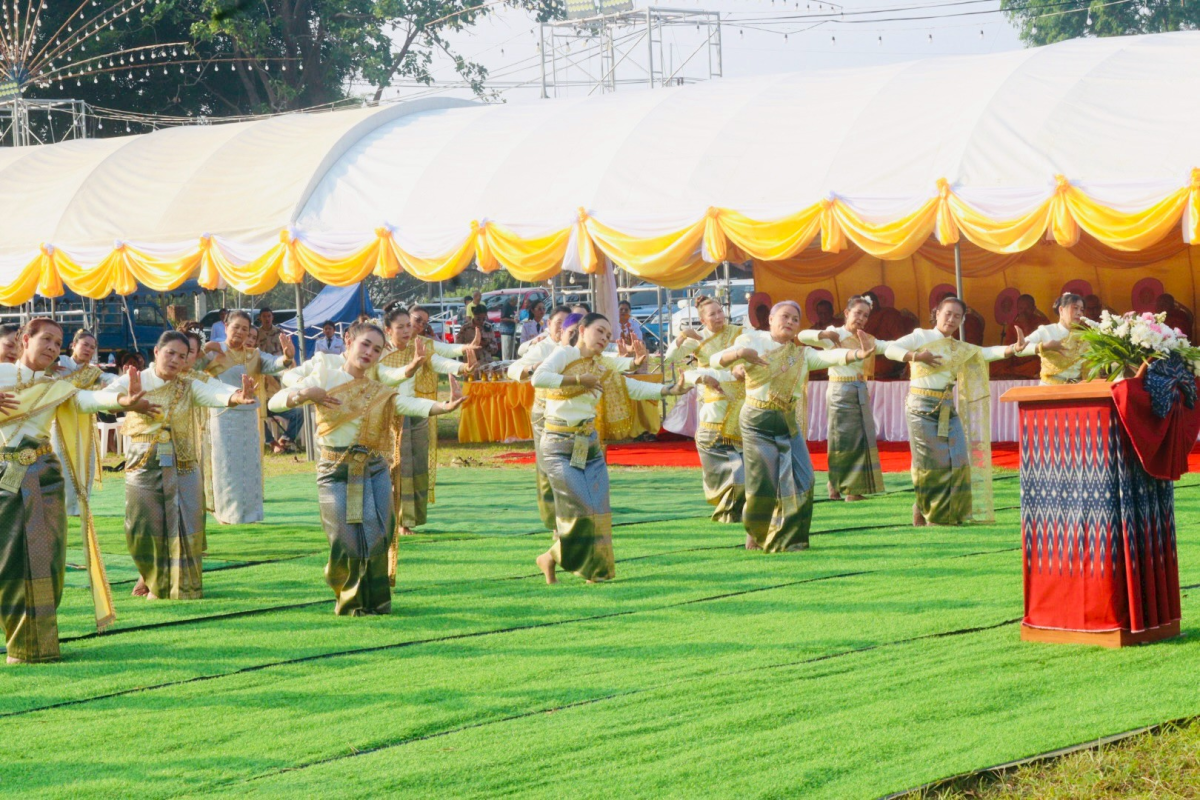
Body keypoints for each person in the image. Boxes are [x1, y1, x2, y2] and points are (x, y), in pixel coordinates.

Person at [270, 322, 464, 615]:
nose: (369, 353)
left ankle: (374, 603)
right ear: (349, 342)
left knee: (378, 536)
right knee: (344, 541)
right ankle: (346, 595)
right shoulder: (324, 373)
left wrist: (443, 407)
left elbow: (404, 404)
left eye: (376, 349)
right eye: (365, 344)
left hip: (374, 468)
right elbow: (275, 402)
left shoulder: (378, 390)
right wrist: (306, 393)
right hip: (335, 470)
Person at [0, 318, 156, 664]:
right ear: (25, 340)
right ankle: (19, 644)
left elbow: (88, 399)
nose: (53, 347)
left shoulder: (56, 385)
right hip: (7, 476)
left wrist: (124, 399)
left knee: (49, 560)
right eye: (46, 339)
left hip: (45, 475)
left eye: (58, 343)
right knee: (11, 562)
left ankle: (41, 643)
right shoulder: (2, 374)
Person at [531, 313, 685, 585]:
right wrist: (579, 381)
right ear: (582, 329)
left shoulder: (603, 366)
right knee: (583, 508)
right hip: (558, 444)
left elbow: (630, 387)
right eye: (599, 331)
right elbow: (539, 378)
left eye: (608, 335)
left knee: (599, 512)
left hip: (588, 443)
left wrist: (670, 390)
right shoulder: (565, 354)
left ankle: (583, 568)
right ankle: (557, 558)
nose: (604, 338)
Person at [713, 302, 870, 552]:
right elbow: (716, 361)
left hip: (787, 421)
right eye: (785, 316)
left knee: (805, 479)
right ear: (771, 319)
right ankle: (756, 534)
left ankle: (792, 539)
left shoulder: (801, 354)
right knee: (764, 483)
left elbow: (828, 357)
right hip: (757, 422)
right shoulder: (752, 341)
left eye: (795, 319)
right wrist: (739, 354)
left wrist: (858, 354)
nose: (790, 322)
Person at [111, 332, 256, 601]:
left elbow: (214, 391)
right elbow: (104, 396)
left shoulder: (189, 384)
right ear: (157, 352)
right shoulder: (137, 380)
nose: (176, 360)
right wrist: (123, 401)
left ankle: (175, 587)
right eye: (171, 353)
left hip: (184, 460)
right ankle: (150, 576)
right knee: (141, 527)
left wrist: (236, 396)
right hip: (143, 462)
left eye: (182, 355)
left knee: (184, 523)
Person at [884, 296, 1025, 527]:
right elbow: (891, 349)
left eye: (957, 316)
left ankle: (949, 512)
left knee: (958, 458)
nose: (951, 319)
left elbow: (983, 353)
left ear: (961, 321)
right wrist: (917, 356)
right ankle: (934, 515)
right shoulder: (921, 336)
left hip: (947, 408)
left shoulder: (958, 347)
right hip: (920, 407)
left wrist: (1013, 349)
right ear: (937, 314)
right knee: (932, 463)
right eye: (947, 314)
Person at [510, 307, 635, 531]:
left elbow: (610, 364)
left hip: (579, 427)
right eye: (559, 324)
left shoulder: (587, 354)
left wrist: (632, 363)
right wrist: (534, 368)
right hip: (545, 417)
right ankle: (555, 522)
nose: (564, 330)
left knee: (578, 477)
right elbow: (515, 370)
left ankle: (573, 524)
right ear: (553, 326)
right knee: (547, 474)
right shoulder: (547, 348)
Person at [378, 304, 470, 543]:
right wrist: (411, 366)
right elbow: (388, 377)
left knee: (417, 465)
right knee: (398, 467)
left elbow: (439, 361)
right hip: (390, 416)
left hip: (417, 409)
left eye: (409, 326)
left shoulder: (419, 347)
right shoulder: (380, 352)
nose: (408, 330)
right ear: (388, 330)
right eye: (401, 327)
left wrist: (463, 367)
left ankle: (410, 519)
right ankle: (395, 520)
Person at [203, 310, 294, 524]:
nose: (240, 332)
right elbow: (192, 367)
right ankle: (226, 513)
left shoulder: (254, 354)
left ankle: (250, 513)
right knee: (226, 464)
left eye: (245, 329)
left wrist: (287, 357)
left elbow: (275, 364)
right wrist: (203, 349)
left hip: (248, 417)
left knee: (249, 464)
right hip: (222, 416)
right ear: (226, 327)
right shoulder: (214, 350)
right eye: (236, 327)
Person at [665, 295, 747, 523]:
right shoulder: (698, 339)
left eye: (720, 312)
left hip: (741, 402)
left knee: (746, 466)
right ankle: (727, 507)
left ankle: (738, 509)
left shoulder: (739, 332)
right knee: (730, 468)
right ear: (702, 319)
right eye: (712, 314)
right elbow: (671, 357)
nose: (719, 317)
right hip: (715, 403)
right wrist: (682, 336)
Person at [824, 296, 890, 502]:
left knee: (860, 439)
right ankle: (840, 485)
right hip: (839, 389)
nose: (861, 318)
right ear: (846, 313)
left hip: (859, 389)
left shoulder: (867, 339)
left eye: (866, 315)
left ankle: (847, 487)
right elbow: (804, 336)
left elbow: (889, 346)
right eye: (857, 313)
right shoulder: (833, 334)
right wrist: (823, 334)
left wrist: (914, 350)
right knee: (841, 438)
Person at [53, 329, 117, 517]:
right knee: (61, 461)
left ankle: (80, 506)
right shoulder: (59, 363)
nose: (89, 349)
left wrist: (122, 382)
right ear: (73, 345)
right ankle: (60, 506)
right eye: (85, 345)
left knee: (85, 461)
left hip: (84, 422)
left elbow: (109, 379)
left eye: (92, 347)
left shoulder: (93, 371)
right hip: (59, 420)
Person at [1017, 292, 1087, 385]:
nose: (1079, 313)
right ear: (1061, 310)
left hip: (1077, 388)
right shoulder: (1046, 331)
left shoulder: (1085, 336)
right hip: (1049, 387)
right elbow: (1020, 349)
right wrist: (1043, 347)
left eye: (1081, 310)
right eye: (1075, 308)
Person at [257, 309, 302, 452]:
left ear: (272, 317)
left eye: (269, 316)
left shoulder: (279, 333)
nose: (267, 319)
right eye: (264, 316)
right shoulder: (256, 334)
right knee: (256, 416)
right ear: (260, 318)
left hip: (278, 375)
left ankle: (285, 440)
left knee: (298, 413)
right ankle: (271, 442)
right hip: (260, 379)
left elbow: (288, 356)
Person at [498, 295, 519, 360]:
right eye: (516, 302)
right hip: (506, 331)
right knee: (506, 352)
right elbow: (502, 318)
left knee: (511, 351)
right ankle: (505, 364)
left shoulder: (512, 307)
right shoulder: (506, 306)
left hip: (512, 332)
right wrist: (512, 320)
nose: (516, 303)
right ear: (513, 301)